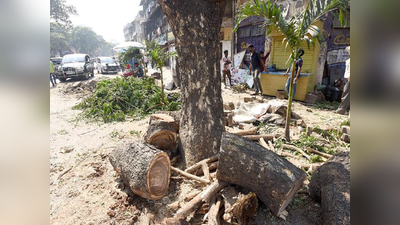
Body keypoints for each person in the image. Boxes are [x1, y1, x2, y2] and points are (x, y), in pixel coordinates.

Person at [335, 46, 350, 115]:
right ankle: (346, 109)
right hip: (348, 78)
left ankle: (342, 110)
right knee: (346, 94)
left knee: (346, 94)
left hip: (350, 79)